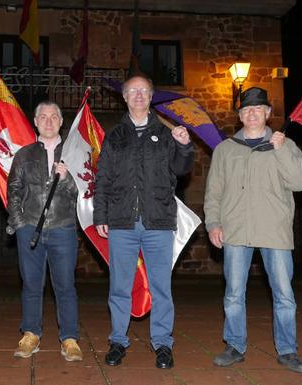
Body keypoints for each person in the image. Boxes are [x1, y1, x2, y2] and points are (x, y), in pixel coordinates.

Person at [204, 87, 302, 373]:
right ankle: (234, 346)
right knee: (233, 293)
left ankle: (288, 351)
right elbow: (213, 192)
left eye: (258, 109)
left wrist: (281, 151)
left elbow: (301, 181)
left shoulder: (284, 145)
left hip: (273, 229)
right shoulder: (226, 150)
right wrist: (213, 223)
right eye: (246, 110)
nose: (252, 114)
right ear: (240, 116)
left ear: (267, 113)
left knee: (284, 294)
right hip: (235, 229)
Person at [93, 75, 195, 369]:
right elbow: (103, 178)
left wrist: (184, 146)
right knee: (120, 286)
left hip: (158, 222)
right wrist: (101, 214)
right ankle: (117, 341)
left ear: (151, 97)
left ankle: (163, 344)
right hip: (122, 222)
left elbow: (181, 168)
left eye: (144, 91)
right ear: (124, 97)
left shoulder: (166, 133)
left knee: (161, 286)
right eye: (132, 91)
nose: (138, 95)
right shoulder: (115, 135)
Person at [6, 101, 83, 362]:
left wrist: (69, 178)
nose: (48, 121)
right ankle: (31, 334)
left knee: (65, 286)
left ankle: (70, 338)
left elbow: (86, 193)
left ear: (61, 122)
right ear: (35, 122)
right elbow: (13, 190)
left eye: (54, 117)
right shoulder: (24, 154)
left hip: (63, 228)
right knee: (31, 284)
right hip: (30, 229)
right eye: (43, 117)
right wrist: (19, 224)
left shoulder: (73, 154)